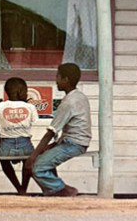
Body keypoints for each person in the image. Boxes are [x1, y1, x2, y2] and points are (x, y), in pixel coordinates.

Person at [24, 63, 91, 197]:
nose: (56, 81)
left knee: (37, 168)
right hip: (75, 141)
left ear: (66, 80)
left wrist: (32, 156)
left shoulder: (68, 103)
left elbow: (51, 132)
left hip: (73, 144)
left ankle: (64, 189)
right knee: (44, 159)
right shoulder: (80, 96)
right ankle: (52, 191)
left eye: (58, 77)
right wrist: (50, 147)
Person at [0, 76, 39, 194]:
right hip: (25, 145)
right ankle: (23, 188)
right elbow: (34, 122)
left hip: (6, 145)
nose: (27, 93)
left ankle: (17, 186)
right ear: (20, 92)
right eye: (26, 91)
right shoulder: (30, 107)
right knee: (28, 163)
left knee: (3, 160)